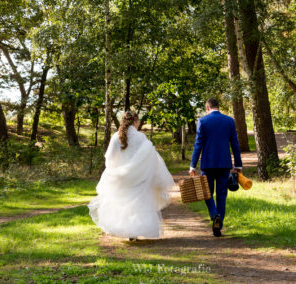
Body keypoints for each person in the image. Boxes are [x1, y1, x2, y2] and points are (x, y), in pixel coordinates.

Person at [88, 111, 174, 241]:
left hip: (121, 177)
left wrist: (117, 169)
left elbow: (109, 158)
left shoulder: (116, 137)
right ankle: (134, 230)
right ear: (135, 122)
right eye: (138, 121)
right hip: (139, 177)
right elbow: (151, 158)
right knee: (139, 203)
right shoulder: (141, 137)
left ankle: (127, 229)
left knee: (123, 202)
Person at [189, 98, 243, 237]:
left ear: (207, 108)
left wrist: (193, 165)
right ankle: (218, 227)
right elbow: (235, 144)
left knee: (207, 193)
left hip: (208, 164)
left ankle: (214, 215)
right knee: (221, 195)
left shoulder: (203, 121)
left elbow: (198, 145)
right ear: (218, 107)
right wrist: (238, 164)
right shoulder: (229, 121)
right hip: (224, 164)